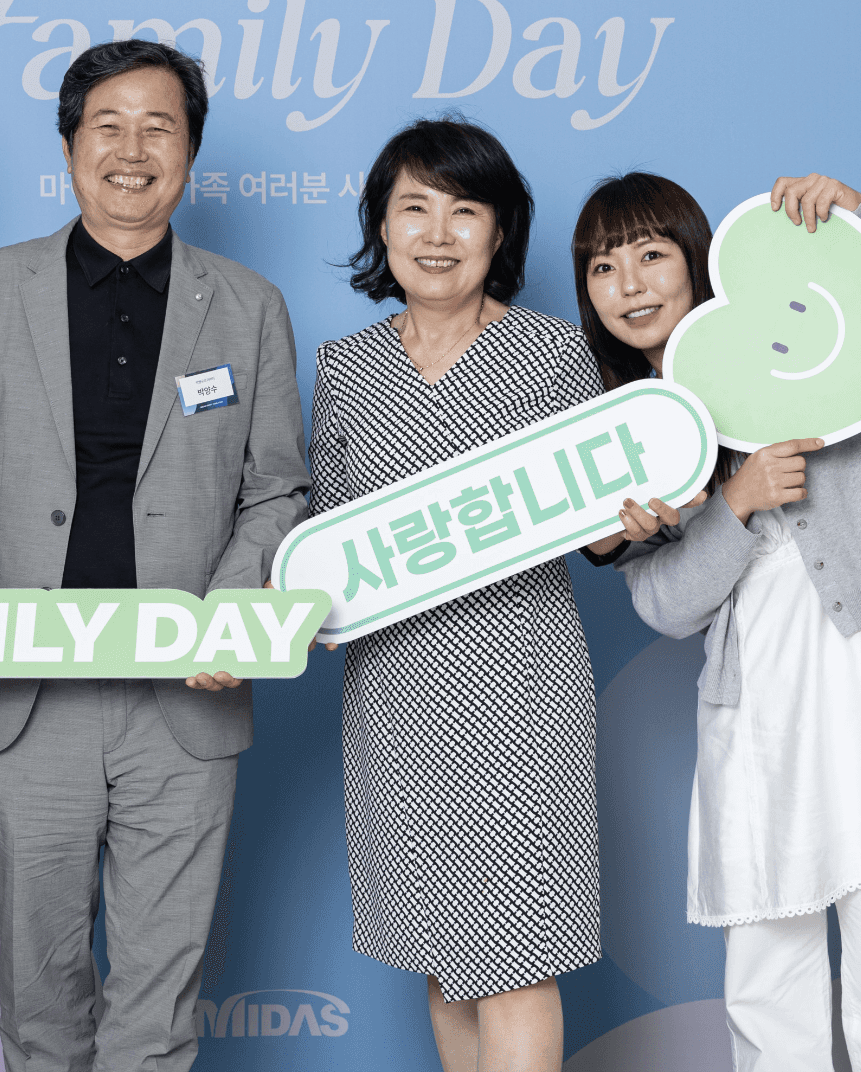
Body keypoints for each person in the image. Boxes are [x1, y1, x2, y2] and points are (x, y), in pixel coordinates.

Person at [0, 38, 310, 1072]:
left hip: (186, 696)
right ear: (70, 147)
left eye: (158, 128)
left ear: (191, 152)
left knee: (158, 1009)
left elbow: (275, 488)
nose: (132, 151)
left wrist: (229, 611)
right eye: (107, 127)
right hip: (27, 689)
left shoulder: (249, 305)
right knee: (40, 995)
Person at [575, 171, 861, 1071]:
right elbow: (662, 605)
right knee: (767, 981)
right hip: (759, 711)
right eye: (603, 268)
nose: (631, 285)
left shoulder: (814, 342)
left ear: (697, 262)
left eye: (652, 255)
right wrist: (733, 504)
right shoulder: (623, 436)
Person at [307, 118, 602, 1072]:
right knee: (446, 958)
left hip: (520, 690)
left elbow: (601, 522)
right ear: (381, 227)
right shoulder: (346, 366)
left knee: (517, 957)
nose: (438, 235)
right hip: (396, 697)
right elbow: (325, 530)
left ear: (500, 231)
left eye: (465, 211)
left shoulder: (554, 355)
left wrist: (641, 518)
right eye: (415, 209)